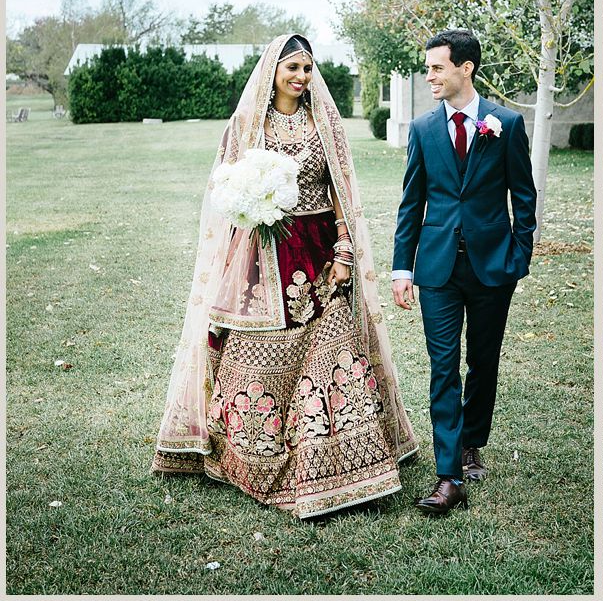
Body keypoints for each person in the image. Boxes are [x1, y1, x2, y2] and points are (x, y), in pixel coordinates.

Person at [153, 34, 418, 518]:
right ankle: (252, 458)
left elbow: (340, 188)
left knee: (334, 344)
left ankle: (344, 465)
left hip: (319, 252)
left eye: (307, 69)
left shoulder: (325, 123)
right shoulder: (247, 123)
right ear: (273, 70)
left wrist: (343, 247)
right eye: (292, 68)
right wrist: (249, 207)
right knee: (262, 351)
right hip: (262, 256)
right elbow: (225, 187)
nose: (300, 77)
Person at [392, 29, 537, 515]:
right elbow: (411, 203)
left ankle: (472, 439)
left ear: (465, 68)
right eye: (428, 67)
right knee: (442, 367)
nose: (429, 75)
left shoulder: (507, 124)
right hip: (436, 268)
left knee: (483, 362)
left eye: (436, 67)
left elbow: (524, 196)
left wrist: (519, 255)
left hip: (494, 264)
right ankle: (448, 474)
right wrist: (401, 268)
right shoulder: (423, 129)